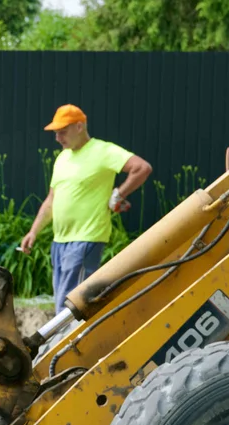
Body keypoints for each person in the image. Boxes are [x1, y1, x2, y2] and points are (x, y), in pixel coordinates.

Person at [20, 104, 152, 310]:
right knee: (63, 301)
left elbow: (141, 168)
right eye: (56, 133)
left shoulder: (103, 151)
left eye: (62, 132)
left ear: (79, 127)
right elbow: (51, 200)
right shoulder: (62, 158)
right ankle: (64, 340)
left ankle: (66, 341)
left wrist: (118, 194)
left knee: (73, 303)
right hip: (60, 241)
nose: (58, 138)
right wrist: (33, 231)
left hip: (86, 238)